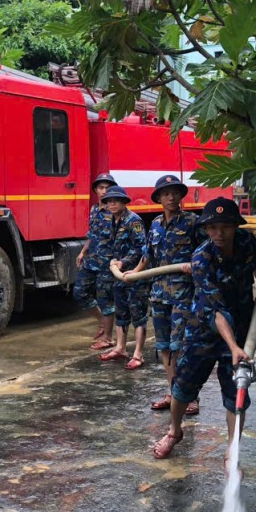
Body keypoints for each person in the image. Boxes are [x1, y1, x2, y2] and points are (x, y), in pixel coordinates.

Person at [153, 197, 256, 462]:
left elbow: (255, 260)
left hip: (241, 323)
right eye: (213, 227)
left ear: (235, 227)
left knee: (236, 390)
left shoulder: (246, 242)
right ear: (206, 229)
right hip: (203, 330)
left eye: (226, 227)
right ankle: (174, 431)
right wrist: (233, 348)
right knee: (183, 385)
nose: (219, 233)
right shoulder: (201, 259)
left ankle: (233, 451)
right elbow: (216, 310)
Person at [127, 174, 202, 411]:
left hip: (183, 294)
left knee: (181, 346)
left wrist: (195, 266)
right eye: (166, 193)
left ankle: (190, 397)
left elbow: (205, 252)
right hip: (159, 294)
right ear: (158, 198)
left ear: (181, 196)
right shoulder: (156, 224)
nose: (171, 197)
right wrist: (134, 272)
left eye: (175, 193)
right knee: (164, 347)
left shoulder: (192, 222)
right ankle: (173, 393)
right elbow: (148, 255)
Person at [97, 185, 148, 366]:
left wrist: (123, 263)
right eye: (109, 201)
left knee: (138, 313)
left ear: (124, 202)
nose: (111, 204)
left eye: (115, 201)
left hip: (135, 275)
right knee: (121, 310)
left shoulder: (133, 221)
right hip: (119, 275)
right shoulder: (113, 220)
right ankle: (120, 348)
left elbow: (141, 249)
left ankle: (138, 354)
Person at [74, 173, 118, 350]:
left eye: (107, 188)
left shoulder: (115, 211)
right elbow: (91, 235)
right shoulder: (94, 209)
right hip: (91, 259)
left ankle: (108, 337)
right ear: (96, 190)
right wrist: (82, 252)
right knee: (80, 292)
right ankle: (102, 322)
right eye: (101, 188)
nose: (104, 191)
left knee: (105, 299)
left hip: (107, 262)